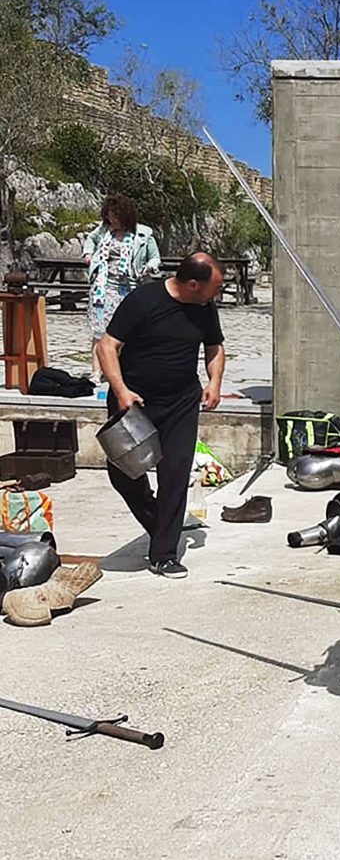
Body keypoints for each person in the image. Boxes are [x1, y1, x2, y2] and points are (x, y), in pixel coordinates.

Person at [96, 253, 225, 579]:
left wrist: (214, 383)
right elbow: (106, 347)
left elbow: (214, 347)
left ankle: (164, 554)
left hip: (181, 401)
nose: (217, 294)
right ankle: (159, 521)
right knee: (123, 475)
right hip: (134, 402)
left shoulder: (204, 308)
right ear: (193, 284)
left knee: (175, 473)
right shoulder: (143, 301)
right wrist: (122, 391)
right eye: (214, 287)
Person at [82, 195, 161, 384]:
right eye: (109, 217)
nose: (113, 221)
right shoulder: (103, 231)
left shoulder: (143, 234)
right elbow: (90, 240)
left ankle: (122, 370)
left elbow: (155, 258)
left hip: (130, 288)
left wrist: (149, 267)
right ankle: (96, 372)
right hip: (103, 287)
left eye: (116, 217)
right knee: (99, 332)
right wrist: (88, 253)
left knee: (127, 332)